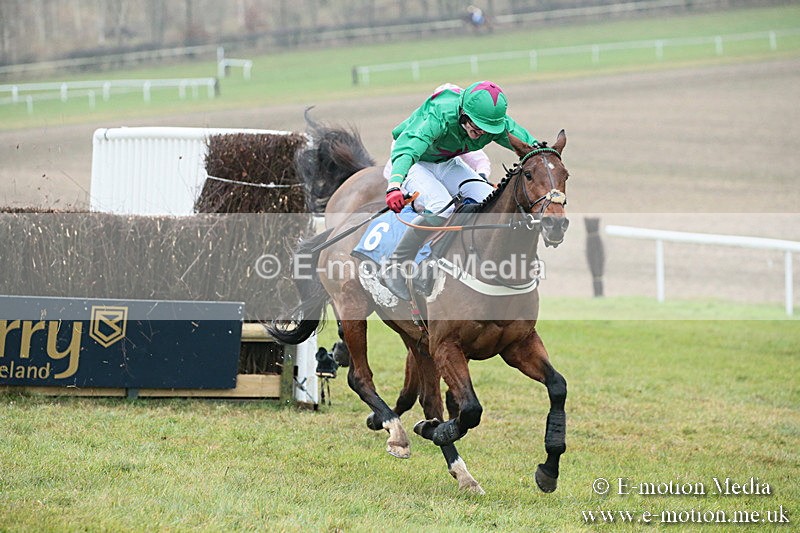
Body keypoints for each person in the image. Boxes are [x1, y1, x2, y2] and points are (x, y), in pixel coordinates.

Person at [380, 80, 540, 300]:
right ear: (463, 114)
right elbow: (408, 150)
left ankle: (464, 258)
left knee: (489, 200)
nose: (482, 133)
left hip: (444, 161)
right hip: (411, 160)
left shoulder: (493, 122)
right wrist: (395, 185)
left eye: (488, 129)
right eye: (477, 127)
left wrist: (544, 155)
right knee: (441, 206)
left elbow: (530, 146)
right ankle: (395, 264)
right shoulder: (439, 114)